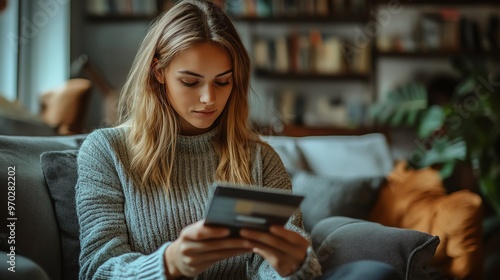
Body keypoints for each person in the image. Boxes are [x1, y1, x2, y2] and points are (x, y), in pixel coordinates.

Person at [76, 1, 401, 279]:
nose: (208, 98)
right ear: (158, 72)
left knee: (374, 273)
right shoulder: (106, 151)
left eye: (223, 82)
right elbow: (97, 268)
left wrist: (292, 266)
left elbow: (282, 266)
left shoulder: (259, 157)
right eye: (190, 81)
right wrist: (169, 264)